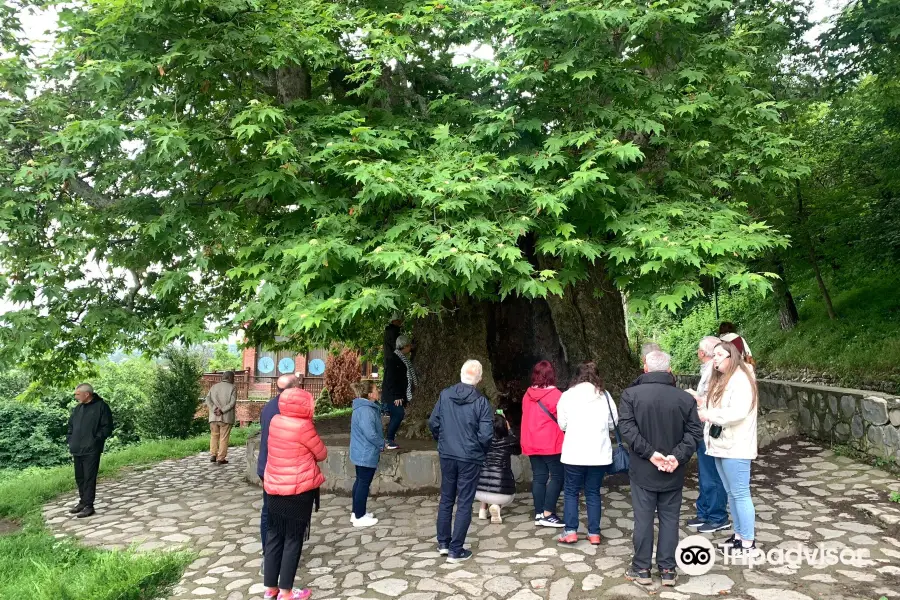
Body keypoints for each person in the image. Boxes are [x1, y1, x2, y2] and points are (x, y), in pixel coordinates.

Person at [619, 351, 702, 587]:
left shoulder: (630, 395)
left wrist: (650, 454)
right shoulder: (684, 399)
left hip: (644, 468)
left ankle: (642, 568)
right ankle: (667, 570)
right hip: (672, 470)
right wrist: (676, 457)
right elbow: (695, 433)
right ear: (669, 369)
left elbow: (627, 429)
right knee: (669, 519)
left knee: (643, 519)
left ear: (645, 368)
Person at [262, 388, 327, 600]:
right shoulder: (303, 426)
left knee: (273, 535)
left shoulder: (275, 421)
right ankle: (287, 592)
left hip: (274, 489)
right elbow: (321, 453)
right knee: (293, 539)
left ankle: (270, 588)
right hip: (297, 491)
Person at [699, 341, 760, 560]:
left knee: (741, 493)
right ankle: (739, 535)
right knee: (731, 493)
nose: (714, 358)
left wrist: (709, 415)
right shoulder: (725, 379)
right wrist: (703, 404)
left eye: (719, 355)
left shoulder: (742, 379)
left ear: (731, 357)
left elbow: (738, 412)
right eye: (713, 354)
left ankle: (748, 542)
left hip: (736, 446)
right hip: (722, 445)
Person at [429, 359, 493, 562]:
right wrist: (480, 451)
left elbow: (433, 422)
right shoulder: (481, 402)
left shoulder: (445, 395)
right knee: (464, 502)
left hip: (448, 454)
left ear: (461, 373)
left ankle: (443, 543)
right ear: (480, 378)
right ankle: (456, 549)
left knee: (447, 498)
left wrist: (443, 440)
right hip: (470, 456)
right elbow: (486, 435)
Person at [555, 361, 618, 546]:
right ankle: (594, 533)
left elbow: (562, 424)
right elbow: (614, 422)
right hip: (598, 453)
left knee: (571, 492)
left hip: (574, 452)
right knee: (593, 492)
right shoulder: (604, 396)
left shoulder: (567, 396)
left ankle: (571, 531)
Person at [685, 336, 730, 534]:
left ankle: (718, 516)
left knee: (712, 474)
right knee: (705, 473)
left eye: (719, 355)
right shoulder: (710, 371)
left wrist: (697, 398)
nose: (715, 359)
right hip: (703, 426)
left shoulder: (718, 374)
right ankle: (704, 512)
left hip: (712, 428)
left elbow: (715, 401)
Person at [258, 374, 300, 569]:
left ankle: (269, 552)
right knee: (279, 513)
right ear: (292, 389)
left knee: (269, 510)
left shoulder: (269, 406)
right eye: (298, 385)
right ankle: (275, 556)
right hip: (279, 468)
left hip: (266, 466)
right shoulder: (286, 410)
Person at [520, 360, 566, 528]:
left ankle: (539, 512)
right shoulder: (557, 395)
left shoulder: (527, 395)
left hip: (531, 441)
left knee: (539, 477)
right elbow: (563, 420)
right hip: (550, 443)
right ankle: (548, 513)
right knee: (558, 476)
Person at [67, 383, 114, 519]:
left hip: (92, 449)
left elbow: (107, 427)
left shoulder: (101, 407)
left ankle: (89, 505)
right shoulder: (78, 409)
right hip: (77, 449)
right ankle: (82, 502)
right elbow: (71, 426)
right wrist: (70, 439)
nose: (75, 396)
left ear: (86, 394)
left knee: (89, 477)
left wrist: (96, 439)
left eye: (77, 394)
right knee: (80, 477)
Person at [475, 412, 521, 524]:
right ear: (505, 426)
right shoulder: (508, 441)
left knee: (487, 482)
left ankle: (483, 509)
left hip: (479, 491)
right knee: (508, 493)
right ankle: (496, 506)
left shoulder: (483, 441)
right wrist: (509, 427)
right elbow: (517, 442)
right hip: (502, 494)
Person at [349, 380, 383, 527]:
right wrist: (382, 444)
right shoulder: (366, 410)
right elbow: (371, 434)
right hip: (366, 452)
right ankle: (359, 516)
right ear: (369, 394)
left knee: (360, 482)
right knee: (363, 483)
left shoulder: (363, 407)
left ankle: (356, 512)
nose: (378, 391)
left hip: (361, 451)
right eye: (376, 389)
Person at [382, 334, 418, 450]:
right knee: (398, 414)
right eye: (409, 346)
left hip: (397, 395)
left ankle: (389, 439)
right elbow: (391, 379)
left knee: (396, 415)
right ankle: (388, 440)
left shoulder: (401, 359)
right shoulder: (394, 359)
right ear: (405, 346)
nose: (410, 348)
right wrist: (397, 395)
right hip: (393, 395)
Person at [205, 370, 237, 464]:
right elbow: (232, 402)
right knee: (224, 437)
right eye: (233, 378)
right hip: (226, 417)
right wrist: (222, 410)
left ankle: (213, 455)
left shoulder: (214, 387)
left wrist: (214, 408)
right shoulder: (232, 387)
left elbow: (207, 399)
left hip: (213, 417)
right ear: (230, 378)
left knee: (214, 436)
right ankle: (221, 458)